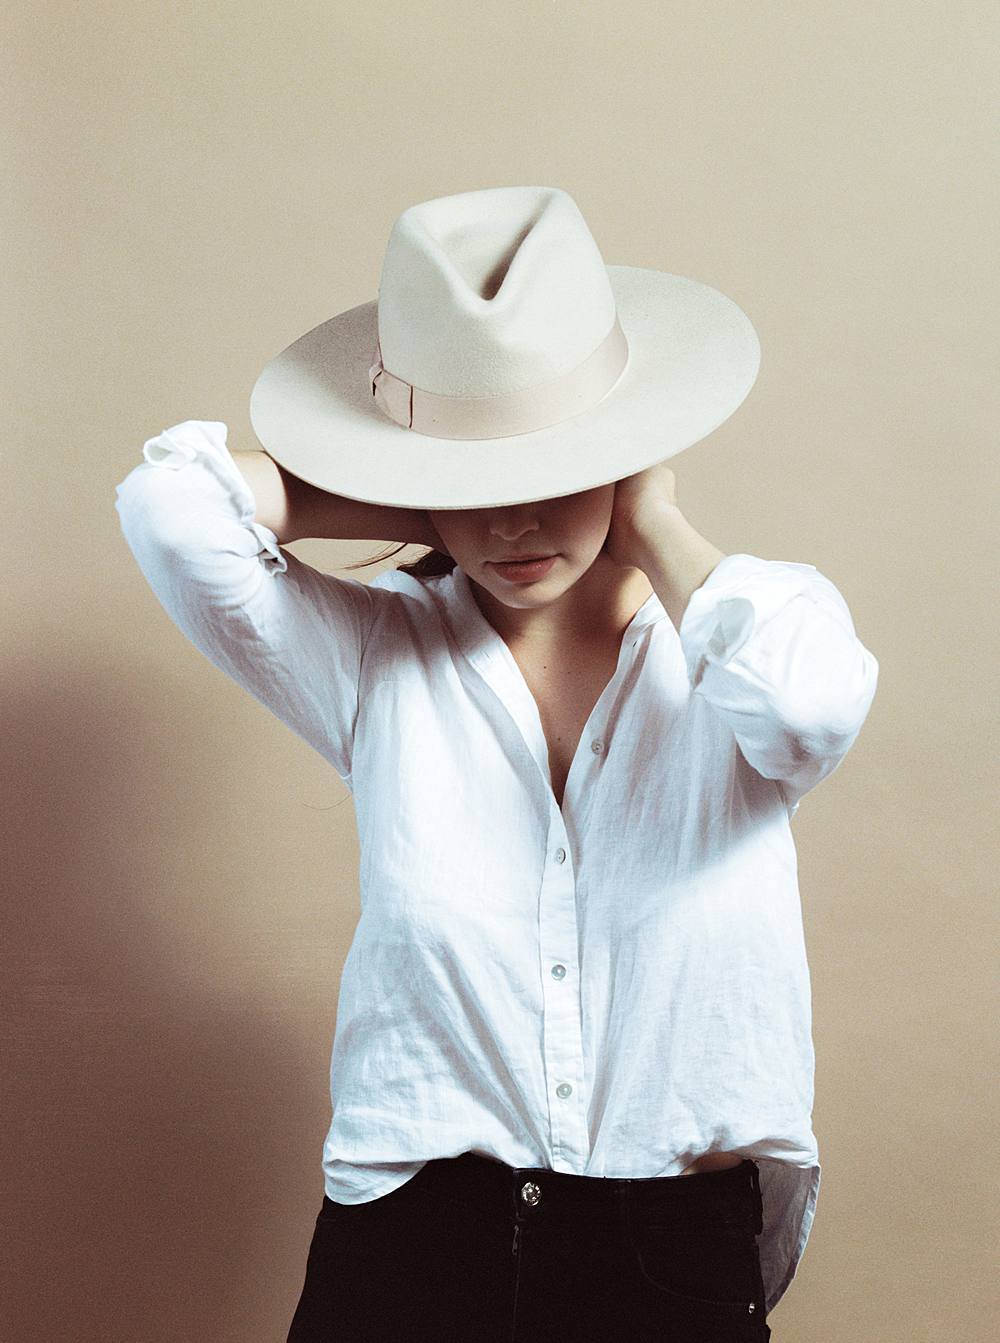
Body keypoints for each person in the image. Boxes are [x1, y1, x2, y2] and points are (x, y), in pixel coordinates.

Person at [114, 187, 879, 1342]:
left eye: (556, 468)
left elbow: (811, 708)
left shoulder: (740, 638)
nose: (512, 524)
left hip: (667, 1244)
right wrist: (417, 475)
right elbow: (171, 509)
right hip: (413, 1238)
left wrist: (651, 516)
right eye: (478, 489)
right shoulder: (378, 655)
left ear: (627, 450)